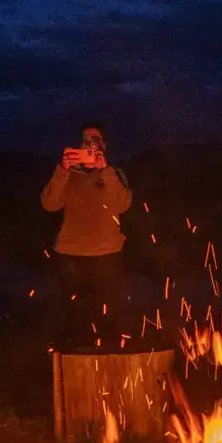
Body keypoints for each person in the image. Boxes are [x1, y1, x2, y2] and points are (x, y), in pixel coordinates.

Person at [40, 123, 131, 349]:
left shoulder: (115, 173)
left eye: (95, 140)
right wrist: (63, 170)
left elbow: (123, 204)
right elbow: (49, 204)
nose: (89, 144)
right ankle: (73, 371)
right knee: (73, 318)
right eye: (85, 139)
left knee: (108, 317)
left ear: (103, 145)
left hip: (107, 254)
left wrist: (106, 170)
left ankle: (110, 367)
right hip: (71, 255)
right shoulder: (68, 173)